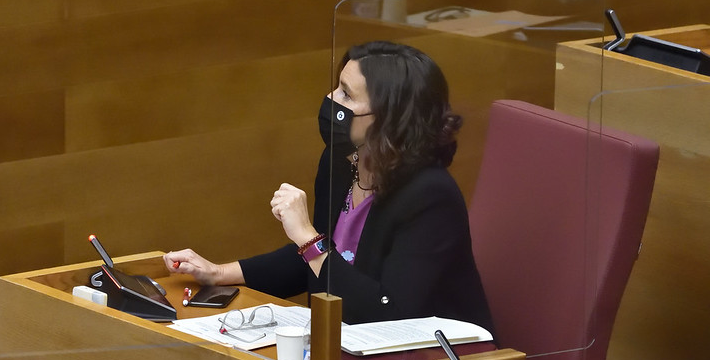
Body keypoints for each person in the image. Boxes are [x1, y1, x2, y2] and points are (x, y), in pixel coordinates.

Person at [163, 41, 493, 332]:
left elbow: (389, 312)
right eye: (337, 87)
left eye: (346, 94)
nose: (330, 100)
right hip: (350, 342)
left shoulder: (430, 196)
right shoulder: (341, 162)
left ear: (389, 119)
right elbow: (317, 262)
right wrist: (218, 273)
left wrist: (308, 239)